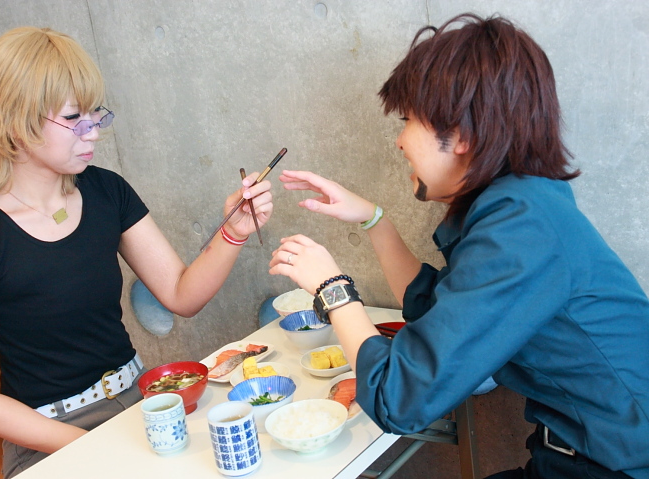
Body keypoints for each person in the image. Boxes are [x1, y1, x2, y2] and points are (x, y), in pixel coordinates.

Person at [269, 13, 649, 479]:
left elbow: (399, 398)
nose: (400, 141)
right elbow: (433, 313)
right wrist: (373, 219)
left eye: (408, 120)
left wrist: (332, 289)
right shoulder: (523, 204)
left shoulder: (522, 228)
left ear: (464, 135)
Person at [0, 27, 273, 478]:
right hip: (49, 437)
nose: (93, 131)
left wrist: (235, 231)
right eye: (74, 117)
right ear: (15, 121)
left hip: (139, 403)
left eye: (95, 113)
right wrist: (95, 448)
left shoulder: (105, 191)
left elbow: (181, 294)